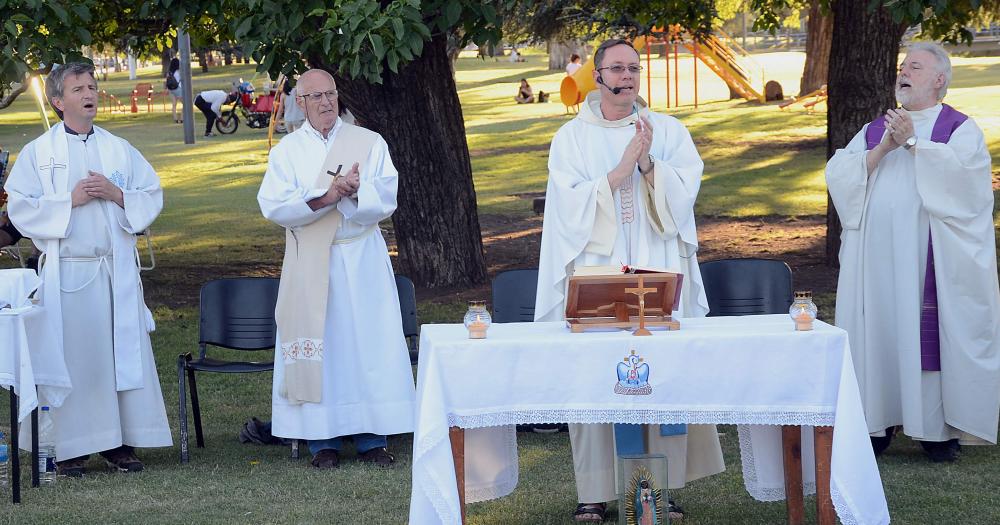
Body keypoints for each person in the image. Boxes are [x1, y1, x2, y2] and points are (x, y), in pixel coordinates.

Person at [534, 38, 725, 522]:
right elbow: (566, 207)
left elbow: (684, 199)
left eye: (634, 69)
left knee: (662, 372)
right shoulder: (571, 138)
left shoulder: (668, 130)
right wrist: (620, 171)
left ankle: (661, 488)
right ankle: (594, 493)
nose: (627, 76)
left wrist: (648, 164)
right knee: (594, 375)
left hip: (657, 261)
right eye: (617, 68)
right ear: (596, 77)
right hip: (599, 268)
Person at [826, 42, 999, 462]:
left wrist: (915, 143)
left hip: (928, 259)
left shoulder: (958, 128)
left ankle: (936, 431)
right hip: (878, 261)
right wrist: (884, 146)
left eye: (914, 67)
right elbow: (840, 174)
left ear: (939, 79)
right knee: (879, 332)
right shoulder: (873, 129)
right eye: (902, 66)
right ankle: (875, 423)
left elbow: (970, 188)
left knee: (924, 333)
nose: (903, 72)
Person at [4, 62, 171, 476]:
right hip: (70, 274)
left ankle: (120, 444)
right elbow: (21, 207)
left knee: (117, 357)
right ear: (59, 102)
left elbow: (151, 193)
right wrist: (69, 202)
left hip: (114, 271)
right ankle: (72, 447)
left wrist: (117, 194)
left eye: (92, 86)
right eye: (78, 88)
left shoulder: (118, 148)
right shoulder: (39, 154)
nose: (89, 93)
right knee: (74, 360)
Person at [257, 69, 415, 470]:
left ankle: (372, 437)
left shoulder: (368, 142)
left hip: (360, 256)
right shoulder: (287, 151)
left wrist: (358, 190)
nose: (326, 102)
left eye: (331, 94)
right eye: (316, 96)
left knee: (367, 347)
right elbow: (274, 205)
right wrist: (327, 195)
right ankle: (321, 440)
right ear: (301, 102)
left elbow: (388, 194)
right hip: (312, 258)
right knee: (322, 346)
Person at [165, 57, 183, 123]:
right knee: (185, 104)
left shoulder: (169, 72)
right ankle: (181, 119)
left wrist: (167, 89)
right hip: (178, 89)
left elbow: (167, 81)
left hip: (171, 89)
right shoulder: (178, 72)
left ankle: (175, 119)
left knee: (174, 104)